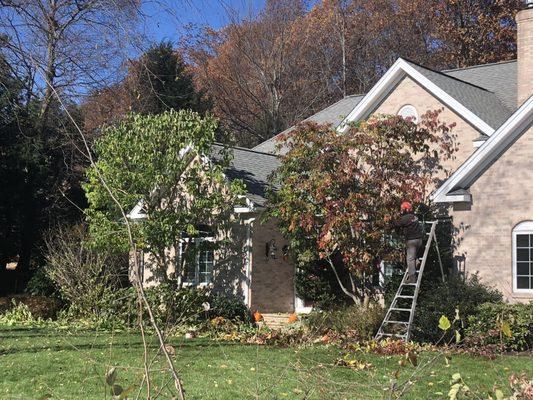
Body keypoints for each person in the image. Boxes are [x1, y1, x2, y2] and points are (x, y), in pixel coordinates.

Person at [389, 201, 423, 284]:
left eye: (402, 209)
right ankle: (417, 262)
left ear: (405, 209)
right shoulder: (415, 216)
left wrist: (390, 220)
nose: (401, 211)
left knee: (410, 259)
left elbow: (396, 224)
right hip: (419, 240)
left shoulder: (405, 218)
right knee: (414, 255)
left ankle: (412, 278)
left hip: (411, 241)